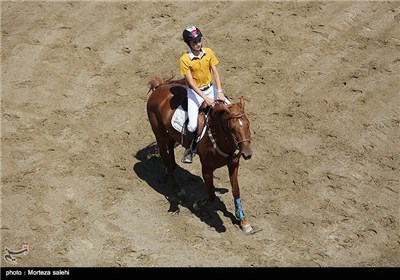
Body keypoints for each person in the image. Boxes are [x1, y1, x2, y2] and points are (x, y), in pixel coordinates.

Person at [179, 25, 229, 163]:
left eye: (199, 40)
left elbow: (215, 72)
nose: (198, 44)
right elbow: (191, 83)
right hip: (195, 93)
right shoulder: (184, 59)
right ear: (188, 43)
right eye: (195, 42)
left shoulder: (208, 52)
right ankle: (190, 149)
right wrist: (205, 98)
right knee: (193, 125)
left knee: (231, 111)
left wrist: (219, 91)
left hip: (211, 89)